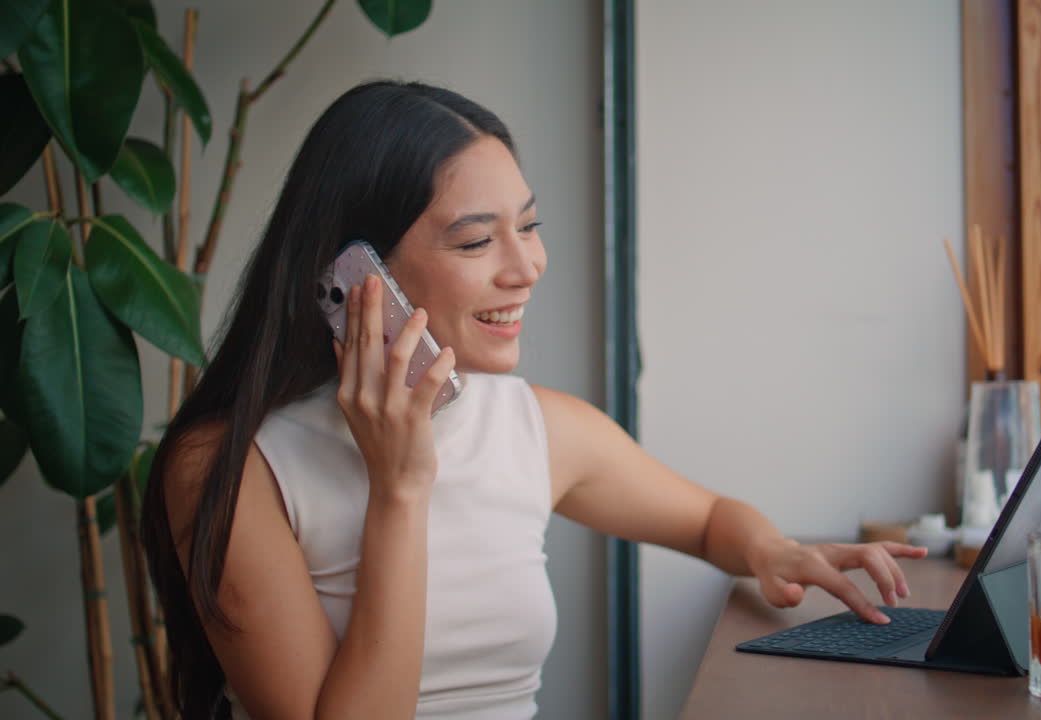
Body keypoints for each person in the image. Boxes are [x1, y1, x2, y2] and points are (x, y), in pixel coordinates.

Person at [141, 80, 928, 720]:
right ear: (356, 274)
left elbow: (709, 521)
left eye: (530, 226)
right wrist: (399, 488)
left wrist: (774, 550)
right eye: (478, 241)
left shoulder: (527, 424)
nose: (528, 267)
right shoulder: (225, 467)